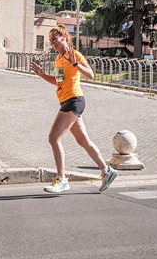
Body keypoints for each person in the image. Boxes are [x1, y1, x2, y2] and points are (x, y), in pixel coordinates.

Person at [30, 25, 118, 193]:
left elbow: (91, 75)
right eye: (51, 41)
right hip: (65, 101)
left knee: (53, 138)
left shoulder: (74, 55)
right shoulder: (58, 59)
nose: (53, 43)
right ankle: (107, 171)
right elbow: (59, 81)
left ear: (64, 38)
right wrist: (42, 74)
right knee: (83, 140)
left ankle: (62, 179)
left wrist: (75, 63)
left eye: (55, 39)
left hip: (75, 100)